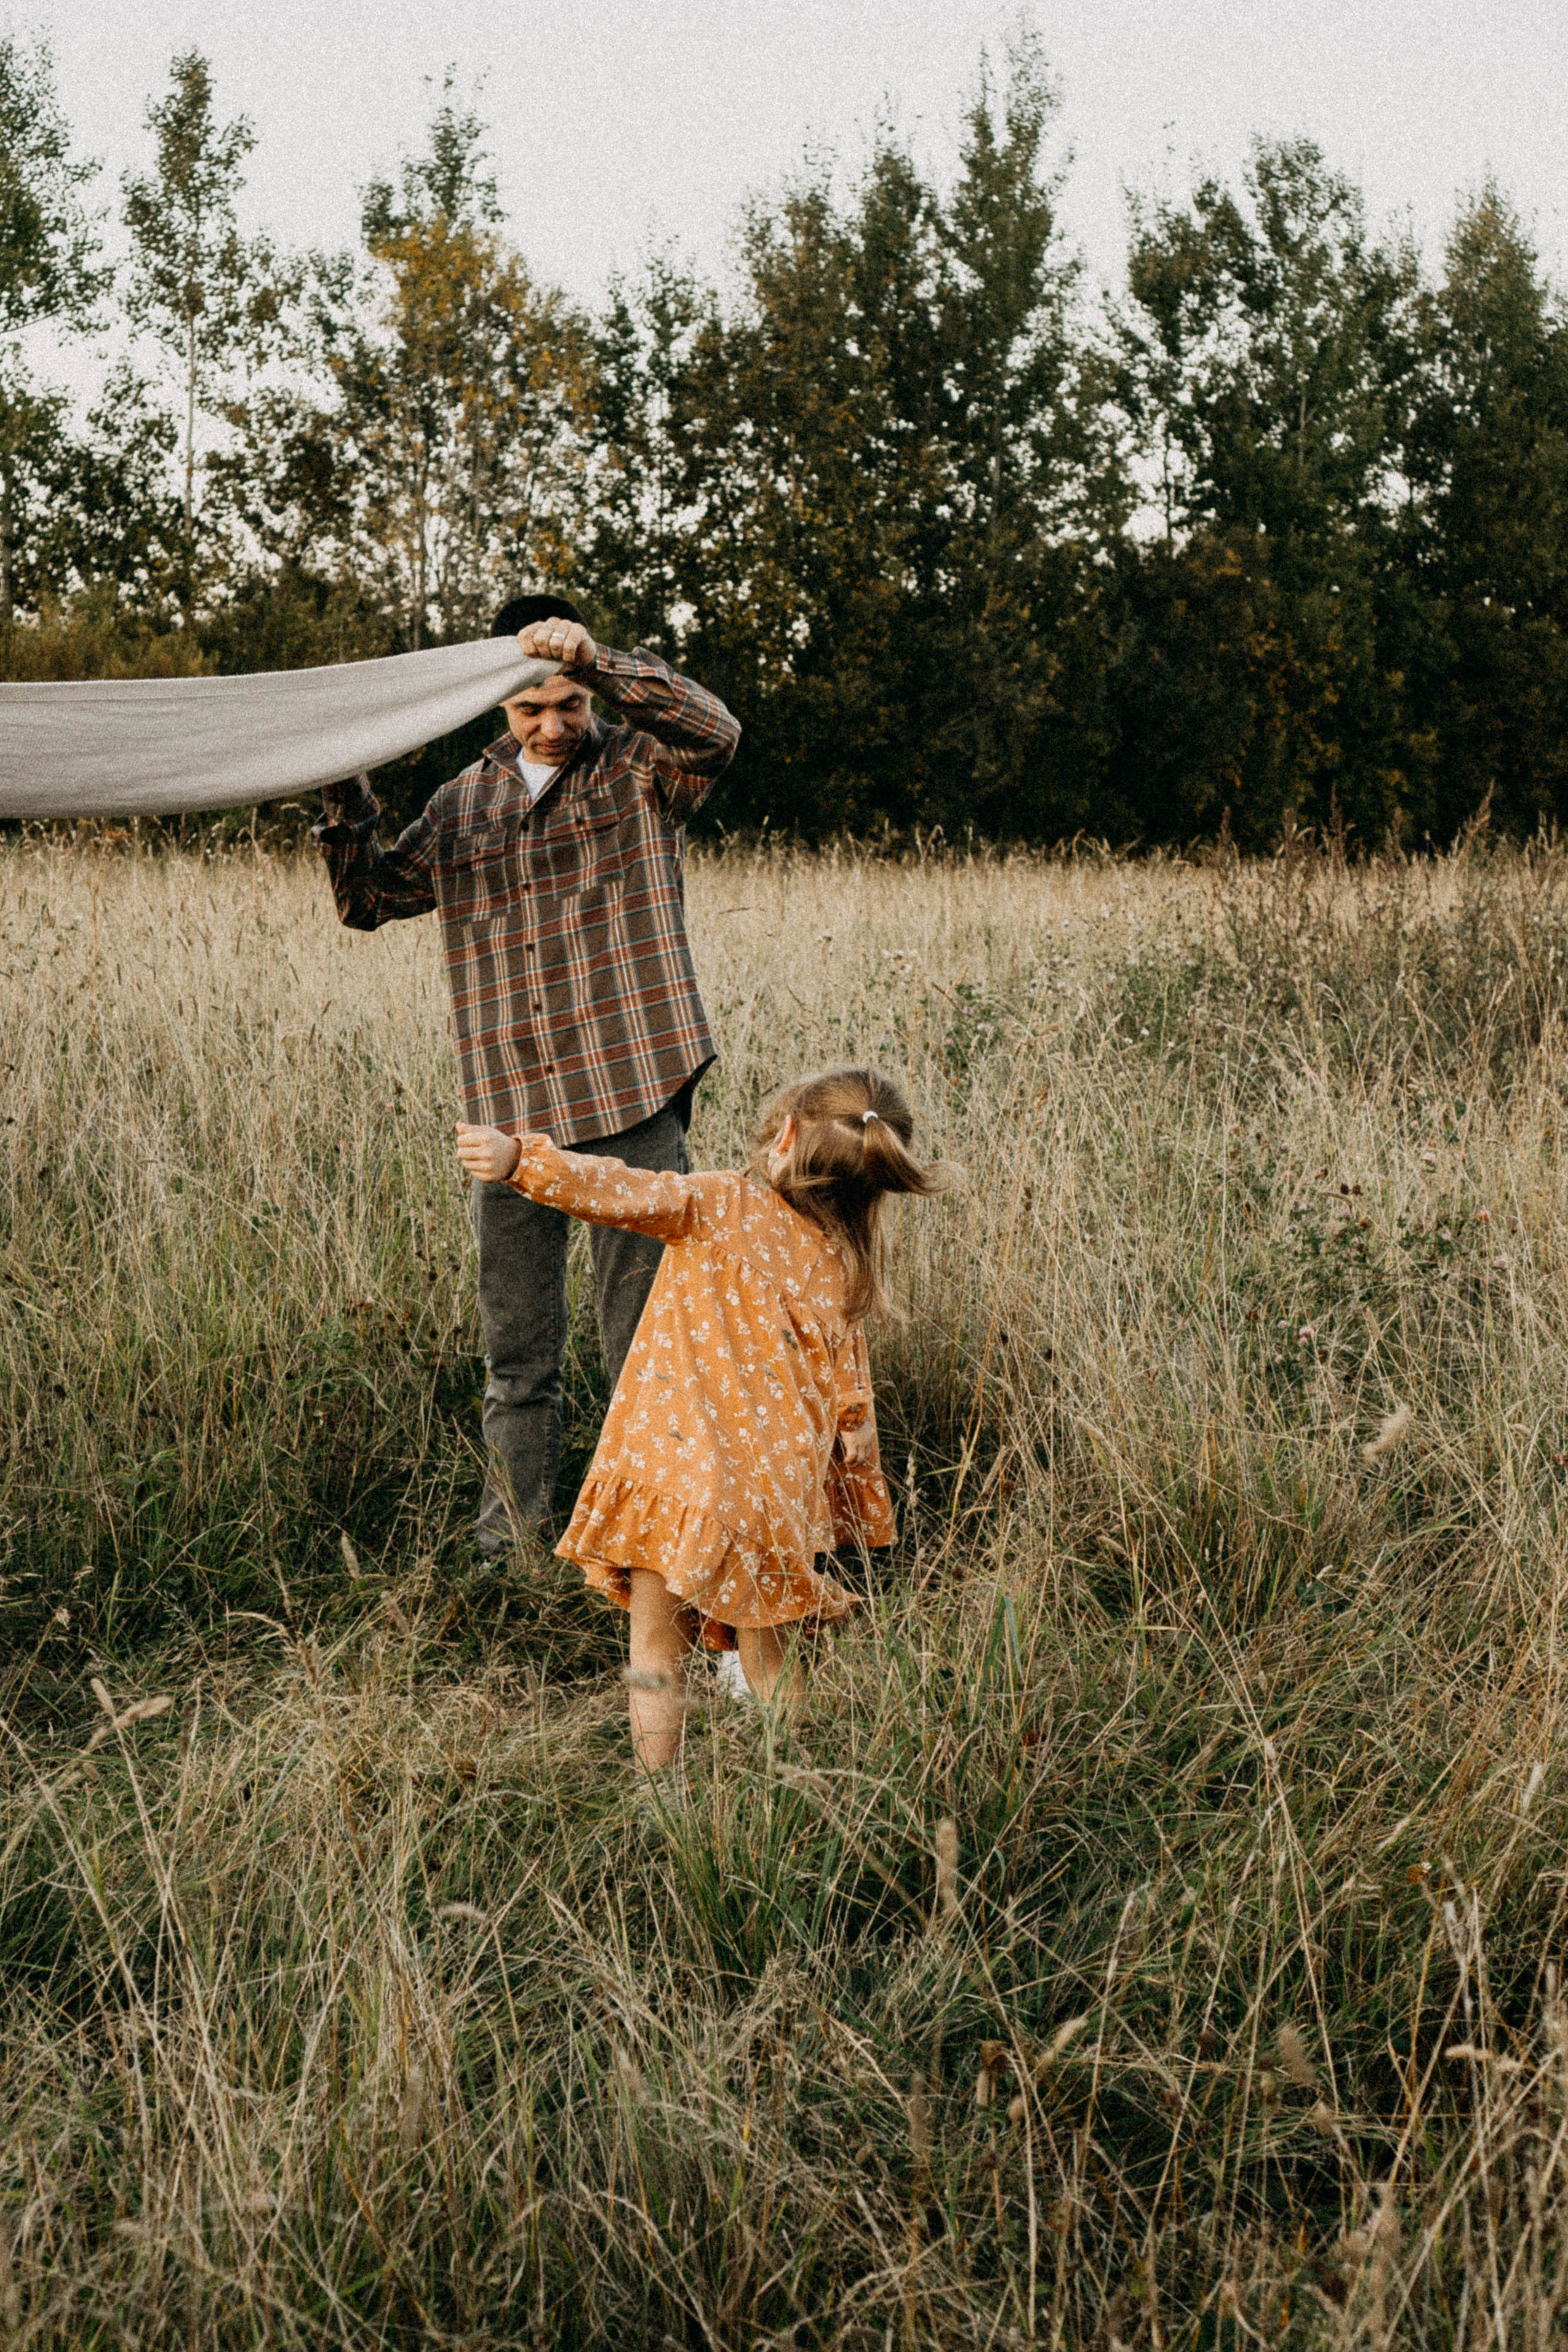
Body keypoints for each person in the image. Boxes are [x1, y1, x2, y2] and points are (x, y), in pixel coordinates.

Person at [314, 596, 739, 1553]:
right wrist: (344, 776)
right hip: (508, 1117)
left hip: (632, 1091)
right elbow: (368, 899)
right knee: (517, 1358)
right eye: (530, 708)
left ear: (587, 689)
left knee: (646, 1348)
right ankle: (510, 1550)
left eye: (568, 703)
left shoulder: (642, 767)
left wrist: (599, 661)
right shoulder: (462, 802)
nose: (552, 725)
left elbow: (717, 731)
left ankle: (653, 1550)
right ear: (499, 704)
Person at [454, 1065, 946, 1775]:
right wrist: (855, 1514)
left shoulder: (721, 1204)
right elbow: (851, 1411)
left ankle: (660, 1794)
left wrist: (519, 1162)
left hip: (675, 1476)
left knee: (657, 1651)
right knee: (770, 1662)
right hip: (772, 1505)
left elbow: (618, 1190)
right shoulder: (844, 1270)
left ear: (784, 1135)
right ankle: (788, 1792)